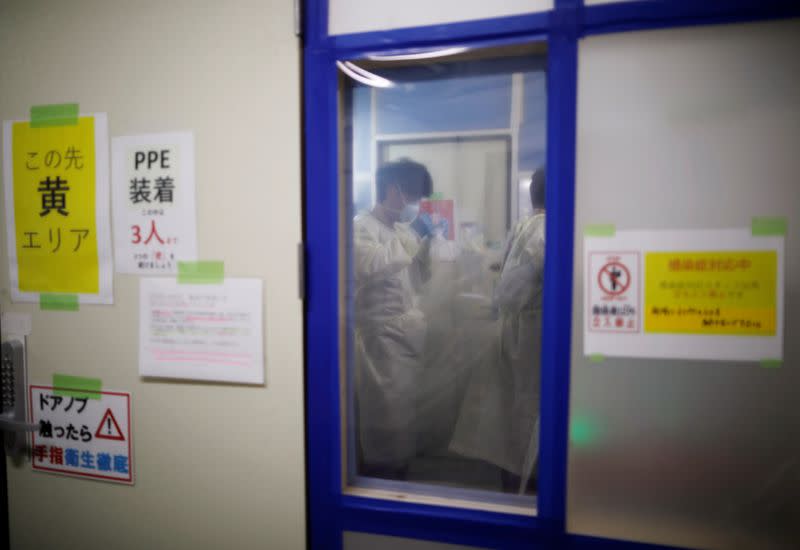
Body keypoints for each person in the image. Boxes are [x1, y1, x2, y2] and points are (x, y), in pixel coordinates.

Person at [449, 168, 546, 493]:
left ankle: (516, 485)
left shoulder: (526, 225)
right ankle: (525, 491)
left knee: (512, 414)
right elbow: (510, 290)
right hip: (532, 335)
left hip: (520, 333)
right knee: (524, 415)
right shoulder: (545, 229)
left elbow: (505, 288)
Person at [353, 158, 435, 480]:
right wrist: (414, 235)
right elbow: (372, 265)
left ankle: (400, 470)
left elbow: (417, 279)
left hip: (405, 334)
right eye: (411, 195)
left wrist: (426, 245)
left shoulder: (400, 228)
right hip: (380, 339)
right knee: (386, 415)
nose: (414, 204)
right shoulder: (360, 227)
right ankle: (383, 477)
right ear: (392, 189)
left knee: (403, 413)